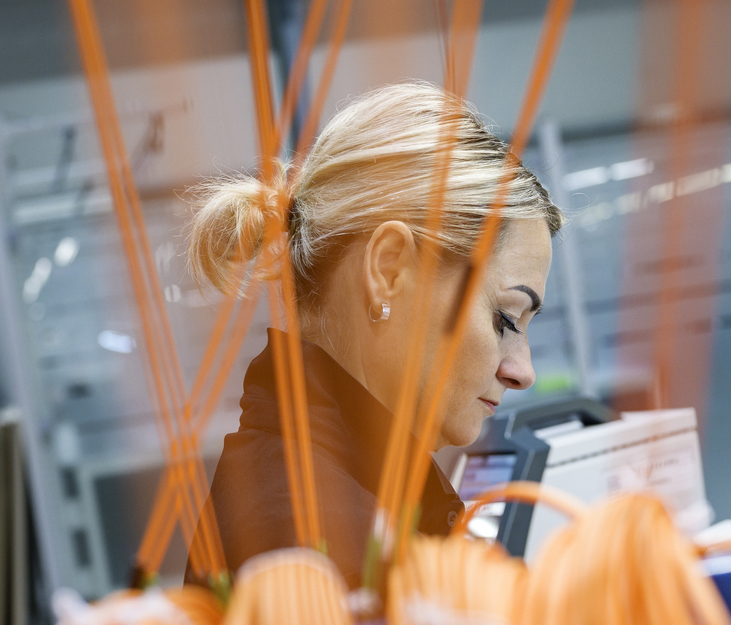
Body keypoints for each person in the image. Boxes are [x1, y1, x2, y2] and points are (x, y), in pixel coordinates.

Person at [186, 81, 564, 587]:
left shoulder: (329, 498)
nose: (522, 371)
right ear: (388, 269)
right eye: (506, 319)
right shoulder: (324, 553)